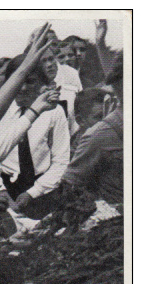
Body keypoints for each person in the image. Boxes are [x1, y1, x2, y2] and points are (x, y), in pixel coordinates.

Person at [0, 54, 69, 219]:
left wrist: (34, 192)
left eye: (31, 81)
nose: (23, 88)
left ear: (43, 83)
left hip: (42, 189)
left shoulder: (54, 112)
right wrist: (0, 191)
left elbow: (61, 161)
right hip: (1, 190)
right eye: (18, 82)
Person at [61, 60, 122, 205]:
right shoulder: (83, 144)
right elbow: (69, 185)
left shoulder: (113, 130)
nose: (105, 121)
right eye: (98, 117)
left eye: (109, 115)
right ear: (81, 120)